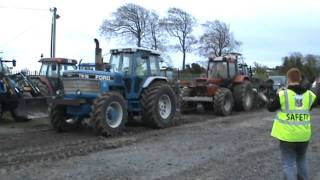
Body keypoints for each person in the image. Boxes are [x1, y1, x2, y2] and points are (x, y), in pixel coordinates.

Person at [267, 68, 317, 180]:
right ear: (300, 79)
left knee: (288, 163)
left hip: (287, 136)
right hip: (304, 135)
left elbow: (270, 108)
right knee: (302, 160)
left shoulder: (283, 95)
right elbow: (311, 106)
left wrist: (277, 94)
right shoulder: (310, 95)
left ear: (288, 79)